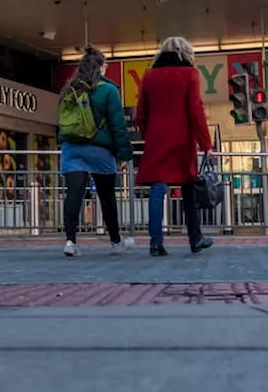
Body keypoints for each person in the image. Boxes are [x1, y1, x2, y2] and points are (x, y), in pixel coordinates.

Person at [135, 36, 215, 256]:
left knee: (157, 189)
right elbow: (195, 110)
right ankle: (195, 238)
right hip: (182, 138)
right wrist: (205, 143)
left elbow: (140, 112)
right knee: (188, 188)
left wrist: (148, 134)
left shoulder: (149, 76)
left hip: (156, 138)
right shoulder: (190, 74)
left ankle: (155, 242)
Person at [57, 45, 134, 257]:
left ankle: (70, 242)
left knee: (73, 195)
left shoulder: (69, 89)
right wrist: (125, 154)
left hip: (72, 149)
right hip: (100, 150)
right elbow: (118, 125)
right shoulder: (109, 90)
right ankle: (115, 242)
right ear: (100, 67)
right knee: (107, 197)